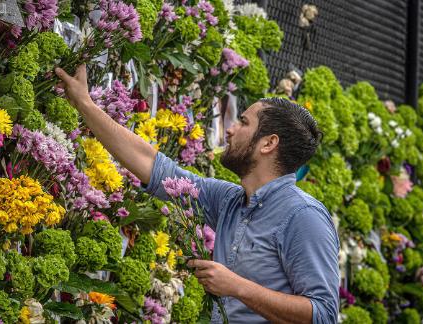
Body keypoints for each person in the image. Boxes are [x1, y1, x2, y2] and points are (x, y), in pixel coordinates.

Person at [55, 65, 340, 324]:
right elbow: (156, 169)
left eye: (243, 122)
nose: (230, 130)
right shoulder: (229, 201)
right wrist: (84, 103)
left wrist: (237, 286)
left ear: (268, 143)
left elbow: (324, 314)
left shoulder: (303, 217)